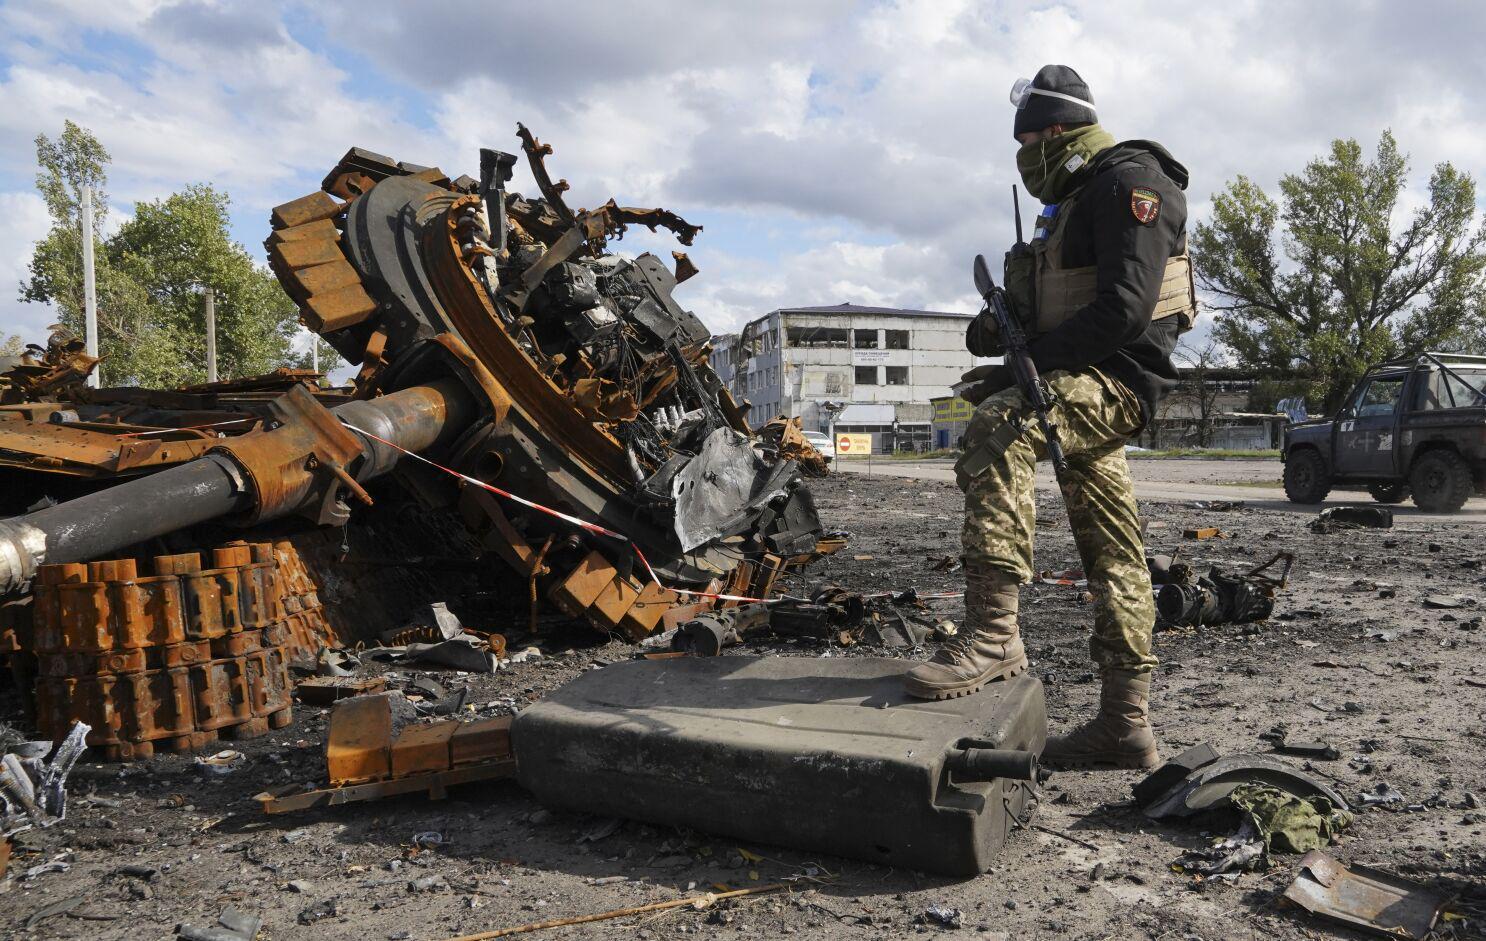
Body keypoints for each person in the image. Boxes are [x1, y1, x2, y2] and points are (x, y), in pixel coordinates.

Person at [903, 65, 1196, 771]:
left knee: (999, 423)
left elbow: (1125, 310)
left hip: (1115, 383)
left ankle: (994, 635)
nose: (1024, 155)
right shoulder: (1071, 201)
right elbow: (1061, 301)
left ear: (1058, 132)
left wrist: (1019, 370)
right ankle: (1125, 726)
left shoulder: (1131, 183)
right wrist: (1000, 332)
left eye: (1030, 139)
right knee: (1116, 551)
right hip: (1074, 379)